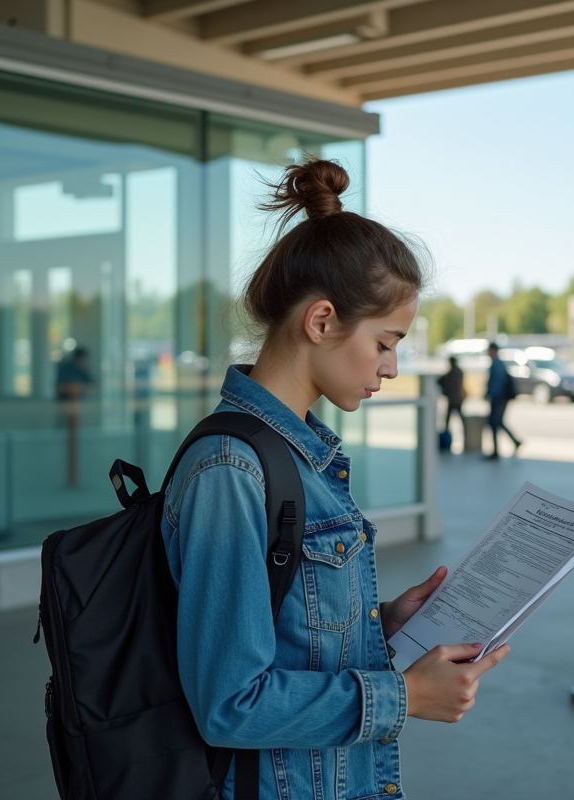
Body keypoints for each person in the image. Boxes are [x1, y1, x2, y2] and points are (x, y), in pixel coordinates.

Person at [161, 159, 509, 800]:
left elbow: (284, 630)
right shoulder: (231, 472)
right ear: (321, 322)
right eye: (385, 343)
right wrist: (403, 694)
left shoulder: (296, 455)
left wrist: (381, 622)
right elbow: (231, 702)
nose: (394, 367)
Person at [484, 341, 522, 459]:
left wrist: (490, 394)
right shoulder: (499, 363)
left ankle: (496, 450)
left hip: (498, 398)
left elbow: (496, 383)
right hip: (500, 398)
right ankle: (512, 443)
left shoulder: (496, 364)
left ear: (493, 350)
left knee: (495, 422)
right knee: (497, 422)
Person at [437, 355, 465, 442]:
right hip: (458, 399)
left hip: (453, 400)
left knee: (449, 420)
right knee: (459, 420)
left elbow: (441, 381)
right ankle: (448, 438)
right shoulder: (459, 372)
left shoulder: (452, 374)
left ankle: (446, 438)